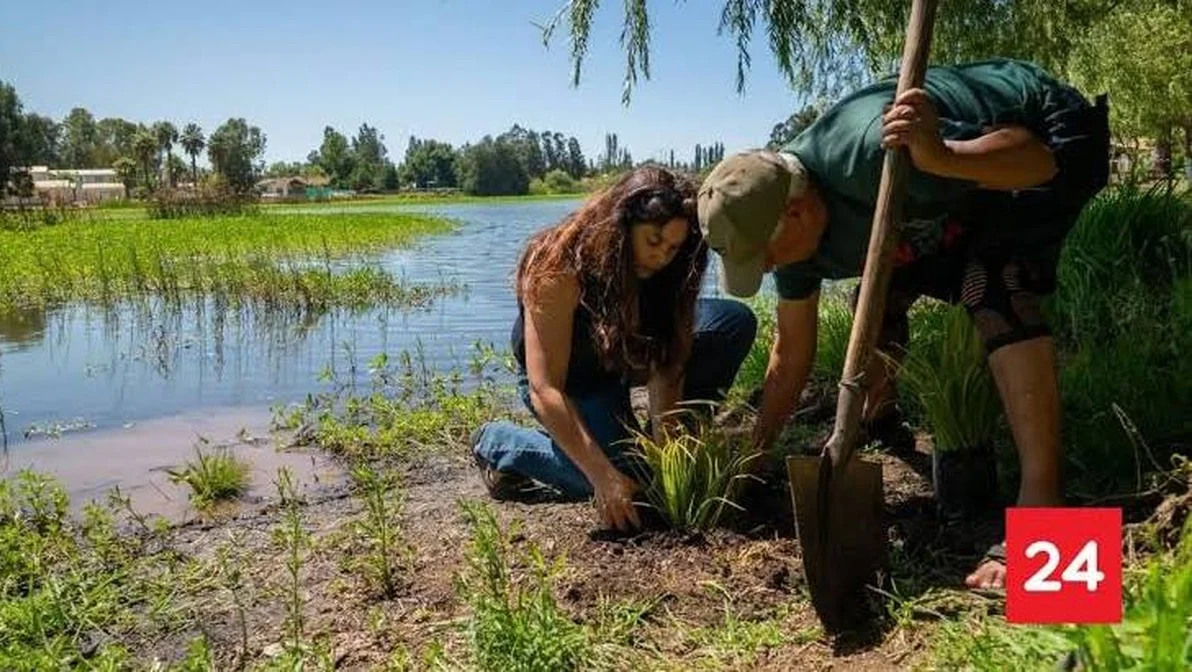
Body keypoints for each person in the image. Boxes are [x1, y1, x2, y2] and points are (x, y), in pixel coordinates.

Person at [696, 58, 1109, 590]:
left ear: (797, 213)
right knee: (882, 287)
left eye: (765, 257)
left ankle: (1045, 506)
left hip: (1046, 135)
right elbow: (791, 352)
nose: (769, 269)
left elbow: (1037, 160)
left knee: (993, 285)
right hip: (956, 186)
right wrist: (755, 455)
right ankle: (880, 416)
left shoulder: (877, 154)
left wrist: (942, 154)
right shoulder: (784, 222)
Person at [473, 166, 758, 532]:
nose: (661, 258)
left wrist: (666, 455)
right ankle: (497, 443)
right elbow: (546, 388)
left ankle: (670, 443)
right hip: (574, 380)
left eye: (673, 247)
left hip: (619, 354)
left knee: (730, 323)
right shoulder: (558, 265)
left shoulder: (669, 270)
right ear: (620, 225)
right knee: (619, 480)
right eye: (653, 241)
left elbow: (667, 364)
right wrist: (603, 477)